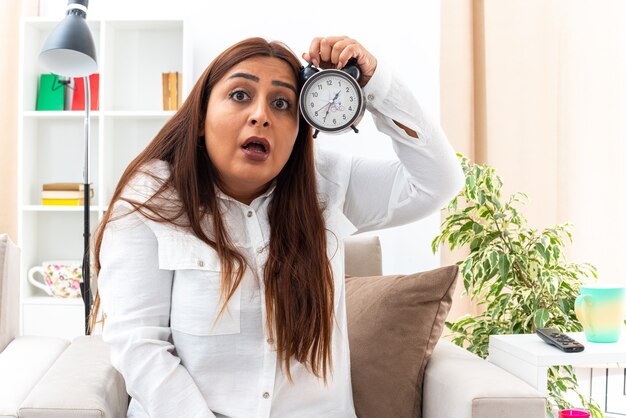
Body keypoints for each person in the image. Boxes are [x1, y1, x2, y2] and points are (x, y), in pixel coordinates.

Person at [91, 36, 464, 418]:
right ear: (201, 118)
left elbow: (438, 182)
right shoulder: (154, 196)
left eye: (282, 103)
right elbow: (139, 345)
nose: (260, 115)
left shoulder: (326, 184)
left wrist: (377, 84)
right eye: (240, 95)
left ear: (300, 129)